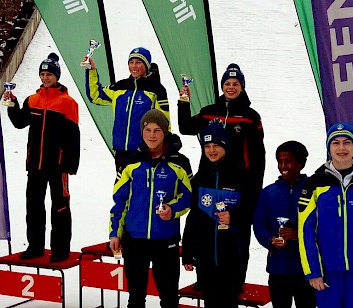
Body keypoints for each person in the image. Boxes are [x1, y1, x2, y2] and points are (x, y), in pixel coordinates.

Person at [178, 63, 264, 286]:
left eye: (236, 84)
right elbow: (186, 127)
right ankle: (204, 278)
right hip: (210, 177)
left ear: (242, 87)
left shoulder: (250, 116)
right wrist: (183, 102)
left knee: (236, 229)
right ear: (222, 86)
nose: (231, 87)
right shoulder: (210, 111)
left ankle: (235, 281)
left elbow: (258, 155)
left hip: (239, 182)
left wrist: (254, 186)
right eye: (227, 83)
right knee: (205, 223)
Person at [298, 122, 353, 308]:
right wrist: (313, 271)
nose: (341, 148)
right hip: (326, 275)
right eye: (335, 143)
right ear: (329, 147)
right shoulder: (315, 184)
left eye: (347, 142)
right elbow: (305, 231)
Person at [109, 109, 192, 308]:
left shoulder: (180, 163)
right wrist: (115, 233)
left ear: (165, 132)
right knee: (136, 298)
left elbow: (188, 197)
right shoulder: (130, 162)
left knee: (169, 297)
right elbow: (119, 200)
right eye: (147, 130)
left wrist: (172, 209)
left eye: (157, 130)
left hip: (165, 240)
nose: (152, 135)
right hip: (135, 240)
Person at [6, 52, 80, 262]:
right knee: (34, 207)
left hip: (58, 165)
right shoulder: (33, 100)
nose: (45, 78)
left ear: (57, 76)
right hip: (35, 164)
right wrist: (13, 105)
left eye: (49, 74)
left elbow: (74, 136)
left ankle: (60, 250)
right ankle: (35, 247)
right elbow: (20, 122)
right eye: (43, 74)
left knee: (60, 207)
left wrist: (70, 165)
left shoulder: (68, 103)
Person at [182, 120, 259, 308]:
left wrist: (235, 217)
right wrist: (188, 251)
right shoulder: (201, 177)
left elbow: (253, 212)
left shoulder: (243, 176)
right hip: (206, 258)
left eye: (216, 145)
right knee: (210, 302)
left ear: (226, 145)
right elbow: (194, 217)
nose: (211, 150)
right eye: (207, 146)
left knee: (228, 302)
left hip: (233, 257)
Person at [85, 47, 170, 171]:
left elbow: (164, 122)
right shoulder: (120, 87)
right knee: (121, 188)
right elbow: (95, 96)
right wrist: (91, 70)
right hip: (121, 152)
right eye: (131, 62)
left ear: (146, 65)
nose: (134, 66)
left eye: (138, 62)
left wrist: (162, 150)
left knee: (140, 189)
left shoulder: (156, 90)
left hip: (144, 152)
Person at [253, 141, 316, 308]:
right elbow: (259, 224)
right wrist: (271, 239)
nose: (283, 166)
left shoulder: (314, 190)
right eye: (279, 161)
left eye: (288, 161)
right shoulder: (268, 192)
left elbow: (323, 226)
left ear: (301, 163)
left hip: (308, 269)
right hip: (278, 269)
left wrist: (299, 236)